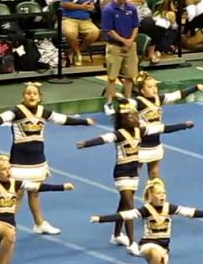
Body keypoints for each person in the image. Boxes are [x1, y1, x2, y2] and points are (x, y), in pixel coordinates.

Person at [0, 82, 94, 234]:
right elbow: (1, 118)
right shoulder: (16, 111)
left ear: (39, 97)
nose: (31, 96)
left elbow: (63, 119)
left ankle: (39, 223)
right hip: (19, 162)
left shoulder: (44, 112)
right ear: (23, 96)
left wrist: (84, 121)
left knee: (35, 192)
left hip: (38, 161)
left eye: (34, 93)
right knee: (16, 195)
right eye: (28, 93)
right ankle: (4, 226)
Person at [77, 102, 194, 252]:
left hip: (134, 173)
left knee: (124, 203)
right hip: (122, 174)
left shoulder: (140, 131)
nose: (135, 118)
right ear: (123, 120)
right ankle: (132, 243)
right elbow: (104, 138)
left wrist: (183, 125)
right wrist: (87, 143)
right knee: (130, 206)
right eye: (130, 116)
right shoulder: (119, 134)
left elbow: (161, 128)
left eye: (135, 115)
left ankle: (116, 235)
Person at [129, 72, 203, 179]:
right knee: (134, 173)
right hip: (140, 144)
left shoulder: (158, 99)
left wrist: (195, 88)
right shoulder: (137, 102)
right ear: (142, 91)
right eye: (150, 87)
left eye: (155, 86)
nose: (154, 89)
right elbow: (126, 104)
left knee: (154, 172)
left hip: (155, 143)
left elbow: (177, 95)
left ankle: (155, 189)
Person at [101, 0, 140, 115]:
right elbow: (109, 30)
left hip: (130, 46)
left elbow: (136, 26)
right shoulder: (108, 10)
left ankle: (127, 101)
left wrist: (131, 41)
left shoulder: (132, 9)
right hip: (115, 47)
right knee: (112, 77)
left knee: (130, 76)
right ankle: (109, 103)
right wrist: (124, 41)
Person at [61, 0, 103, 66]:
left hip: (85, 20)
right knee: (70, 32)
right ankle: (77, 54)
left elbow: (92, 9)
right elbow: (63, 3)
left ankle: (76, 52)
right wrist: (81, 7)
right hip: (68, 18)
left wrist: (92, 9)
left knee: (95, 32)